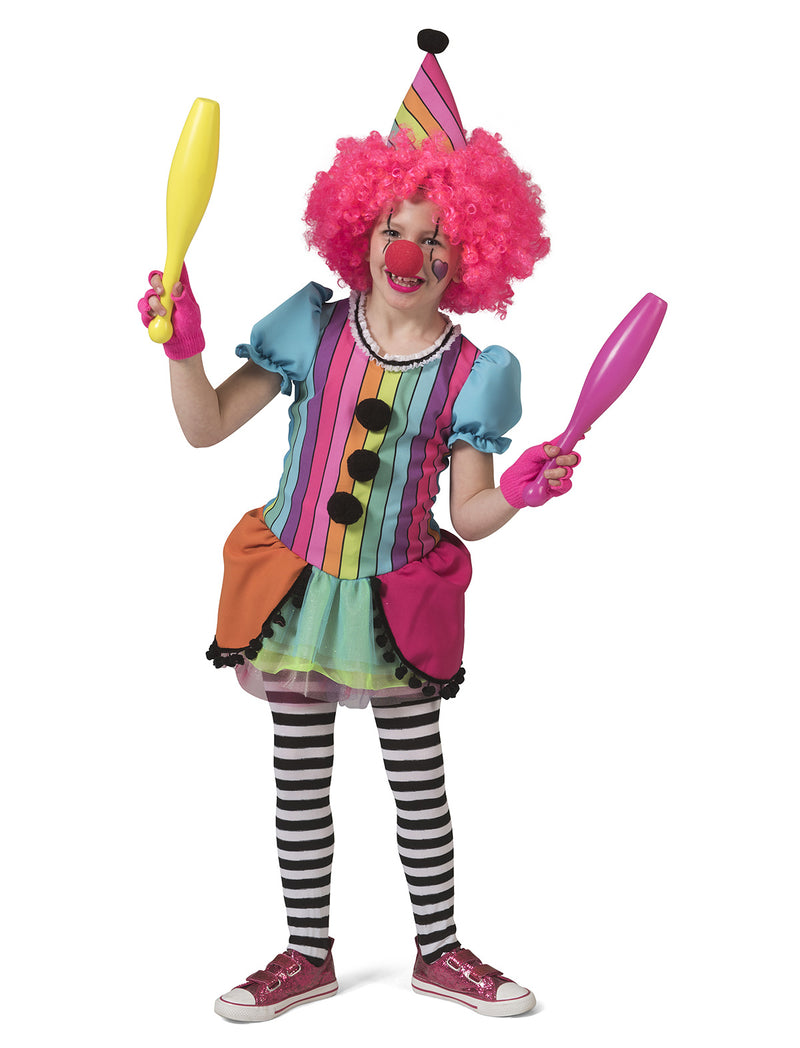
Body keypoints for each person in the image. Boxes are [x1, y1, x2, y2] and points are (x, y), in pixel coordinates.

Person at [139, 30, 578, 1021]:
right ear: (360, 230)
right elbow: (205, 426)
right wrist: (184, 347)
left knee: (418, 782)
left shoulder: (474, 373)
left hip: (395, 598)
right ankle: (307, 954)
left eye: (435, 239)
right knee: (299, 783)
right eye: (392, 227)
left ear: (470, 256)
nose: (408, 253)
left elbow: (470, 511)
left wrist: (521, 490)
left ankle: (439, 950)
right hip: (296, 587)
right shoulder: (313, 326)